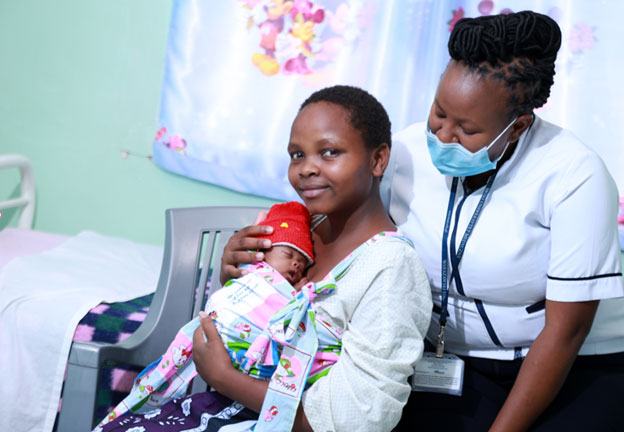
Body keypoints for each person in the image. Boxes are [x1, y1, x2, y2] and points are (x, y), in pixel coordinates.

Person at [224, 11, 624, 432]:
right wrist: (264, 251)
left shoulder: (575, 176)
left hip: (572, 367)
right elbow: (328, 225)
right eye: (439, 112)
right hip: (441, 361)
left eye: (466, 129)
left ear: (518, 125)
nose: (443, 134)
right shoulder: (405, 153)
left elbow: (567, 332)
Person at [97, 85, 432, 432]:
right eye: (297, 155)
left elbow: (353, 420)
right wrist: (236, 282)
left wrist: (225, 378)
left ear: (378, 159)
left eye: (329, 152)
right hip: (224, 410)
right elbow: (252, 328)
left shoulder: (390, 269)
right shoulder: (296, 233)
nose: (306, 169)